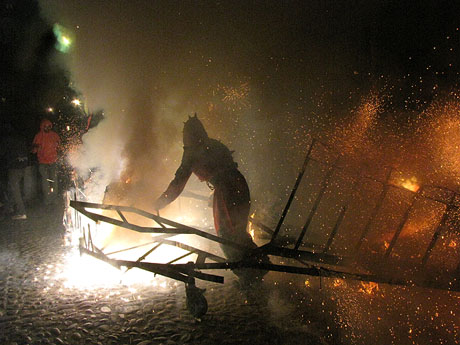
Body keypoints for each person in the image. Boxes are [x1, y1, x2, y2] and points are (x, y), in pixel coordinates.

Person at [153, 114, 268, 282]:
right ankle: (257, 265)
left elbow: (179, 181)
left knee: (226, 234)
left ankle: (249, 274)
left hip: (227, 191)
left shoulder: (191, 153)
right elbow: (223, 168)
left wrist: (162, 201)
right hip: (239, 185)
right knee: (237, 231)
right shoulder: (214, 144)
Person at [32, 118, 61, 205]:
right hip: (43, 162)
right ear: (42, 127)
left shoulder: (54, 135)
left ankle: (54, 199)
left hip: (53, 161)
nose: (47, 128)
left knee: (54, 181)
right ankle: (48, 199)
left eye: (49, 126)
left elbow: (60, 146)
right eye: (46, 126)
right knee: (45, 182)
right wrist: (36, 148)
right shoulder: (38, 136)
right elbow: (33, 150)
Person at [4, 124, 29, 219]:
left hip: (14, 167)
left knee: (15, 190)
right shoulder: (21, 140)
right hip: (21, 167)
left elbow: (4, 153)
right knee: (15, 188)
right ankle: (10, 207)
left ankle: (21, 212)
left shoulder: (8, 141)